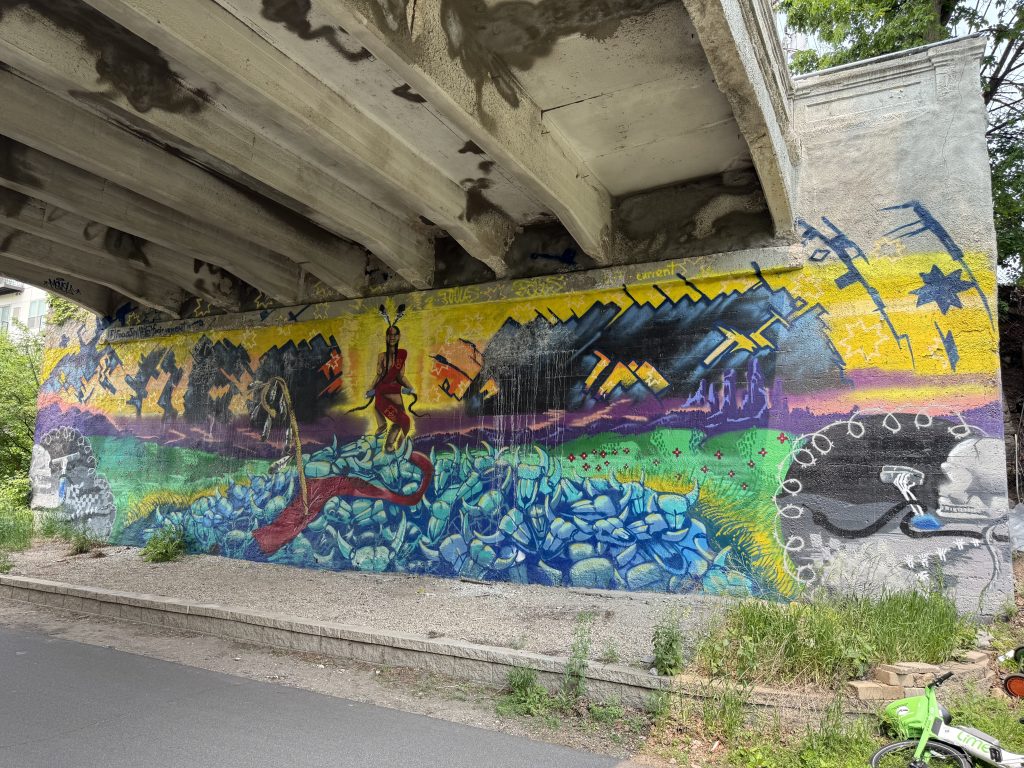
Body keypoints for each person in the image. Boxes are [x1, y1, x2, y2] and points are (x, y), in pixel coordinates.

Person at [366, 323, 415, 452]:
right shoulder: (382, 356)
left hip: (396, 391)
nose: (392, 337)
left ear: (398, 337)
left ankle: (390, 446)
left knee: (401, 420)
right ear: (386, 337)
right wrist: (370, 389)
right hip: (385, 391)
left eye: (394, 335)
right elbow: (379, 375)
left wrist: (411, 388)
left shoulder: (400, 357)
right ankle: (386, 445)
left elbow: (401, 377)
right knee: (395, 420)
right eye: (389, 335)